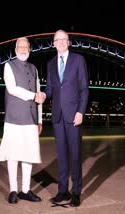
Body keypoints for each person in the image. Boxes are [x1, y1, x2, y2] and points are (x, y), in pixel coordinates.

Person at [0, 37, 45, 204]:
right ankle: (13, 190)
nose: (23, 49)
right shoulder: (8, 66)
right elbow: (12, 89)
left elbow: (38, 94)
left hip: (31, 119)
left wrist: (39, 119)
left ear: (30, 49)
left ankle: (25, 190)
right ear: (15, 50)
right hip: (14, 118)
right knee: (13, 155)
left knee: (28, 155)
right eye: (20, 47)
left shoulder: (34, 68)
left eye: (26, 47)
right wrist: (33, 96)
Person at [42, 29, 89, 207]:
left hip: (73, 115)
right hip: (57, 115)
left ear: (68, 42)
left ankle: (76, 192)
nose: (61, 42)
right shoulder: (51, 63)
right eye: (57, 40)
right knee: (61, 155)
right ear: (53, 43)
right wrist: (44, 96)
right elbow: (50, 88)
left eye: (64, 39)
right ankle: (63, 191)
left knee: (75, 155)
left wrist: (80, 111)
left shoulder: (78, 60)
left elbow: (84, 88)